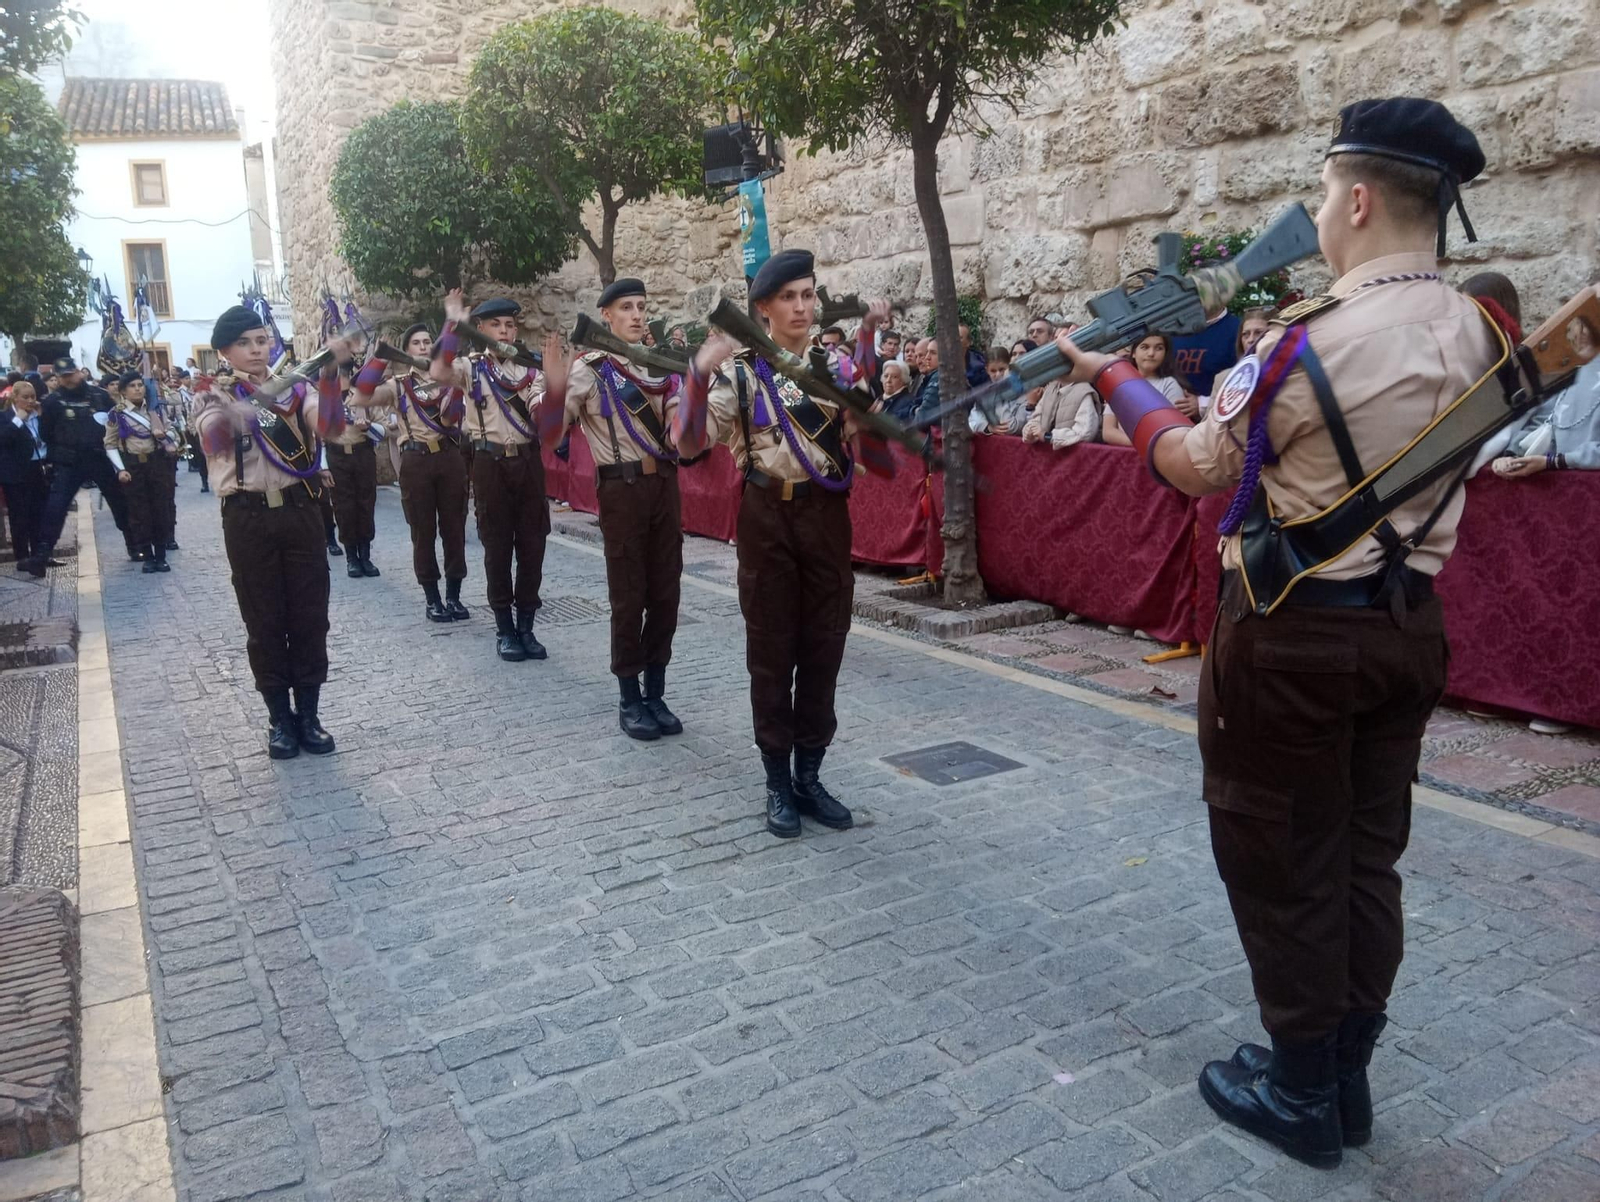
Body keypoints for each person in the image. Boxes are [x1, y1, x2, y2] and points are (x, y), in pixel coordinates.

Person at [1052, 97, 1497, 1169]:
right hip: (1408, 627)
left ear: (1358, 199)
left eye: (1325, 193)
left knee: (1281, 854)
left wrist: (1112, 375)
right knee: (1366, 856)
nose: (1320, 213)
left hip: (1294, 638)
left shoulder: (1308, 341)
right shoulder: (1483, 329)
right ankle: (1344, 1073)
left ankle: (1300, 1090)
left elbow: (1191, 465)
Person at [675, 248, 889, 839]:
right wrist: (697, 374)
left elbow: (876, 462)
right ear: (764, 308)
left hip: (826, 518)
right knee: (771, 652)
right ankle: (776, 780)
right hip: (767, 516)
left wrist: (866, 423)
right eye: (788, 297)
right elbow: (688, 444)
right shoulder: (742, 373)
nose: (801, 307)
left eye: (808, 295)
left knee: (825, 644)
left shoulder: (837, 370)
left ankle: (809, 776)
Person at [537, 278, 687, 741]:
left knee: (665, 595)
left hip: (663, 484)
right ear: (607, 315)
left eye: (641, 306)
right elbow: (551, 435)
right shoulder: (592, 370)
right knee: (629, 597)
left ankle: (655, 692)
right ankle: (629, 696)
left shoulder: (658, 367)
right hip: (621, 489)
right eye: (626, 308)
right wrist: (555, 387)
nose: (637, 315)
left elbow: (678, 430)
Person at [191, 305, 341, 759]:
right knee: (264, 619)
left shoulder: (296, 388)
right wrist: (257, 400)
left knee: (310, 615)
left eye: (262, 341)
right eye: (245, 343)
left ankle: (309, 715)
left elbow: (330, 427)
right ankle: (279, 719)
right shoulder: (209, 393)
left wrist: (329, 377)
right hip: (247, 516)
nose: (256, 350)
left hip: (299, 509)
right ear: (225, 351)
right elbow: (213, 439)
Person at [432, 290, 550, 662]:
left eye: (509, 325)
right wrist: (452, 324)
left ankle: (526, 626)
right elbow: (438, 371)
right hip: (489, 463)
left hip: (528, 461)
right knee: (497, 548)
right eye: (495, 325)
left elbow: (543, 410)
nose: (504, 331)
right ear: (480, 329)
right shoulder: (471, 368)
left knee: (532, 546)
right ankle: (504, 628)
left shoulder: (531, 368)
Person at [349, 323, 470, 622]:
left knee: (455, 528)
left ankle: (453, 595)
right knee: (422, 531)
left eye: (428, 341)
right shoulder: (399, 385)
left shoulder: (451, 378)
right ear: (407, 350)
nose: (424, 346)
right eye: (417, 342)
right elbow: (360, 396)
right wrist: (379, 359)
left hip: (450, 455)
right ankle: (432, 598)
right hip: (417, 460)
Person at [19, 357, 135, 576]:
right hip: (69, 463)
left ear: (80, 372)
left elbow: (116, 423)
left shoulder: (100, 396)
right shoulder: (53, 402)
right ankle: (42, 555)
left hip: (100, 458)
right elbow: (46, 433)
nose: (69, 379)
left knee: (119, 501)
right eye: (63, 376)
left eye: (71, 374)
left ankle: (135, 545)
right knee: (55, 509)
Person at [103, 372, 180, 573]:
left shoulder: (156, 410)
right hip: (133, 465)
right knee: (139, 512)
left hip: (156, 463)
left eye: (140, 385)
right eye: (132, 386)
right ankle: (147, 555)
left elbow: (174, 434)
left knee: (160, 509)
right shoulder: (116, 414)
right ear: (123, 391)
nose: (138, 389)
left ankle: (161, 555)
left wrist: (164, 435)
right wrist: (120, 469)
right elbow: (110, 444)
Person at [323, 357, 385, 580]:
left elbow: (383, 431)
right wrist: (322, 467)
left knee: (365, 504)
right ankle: (351, 557)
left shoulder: (364, 396)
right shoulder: (324, 399)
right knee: (343, 506)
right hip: (337, 456)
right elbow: (317, 437)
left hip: (362, 453)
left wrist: (367, 427)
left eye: (344, 373)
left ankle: (365, 556)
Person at [1102, 333, 1192, 445]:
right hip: (1127, 452)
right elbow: (1108, 431)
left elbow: (1174, 432)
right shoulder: (1120, 383)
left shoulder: (1169, 384)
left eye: (1159, 348)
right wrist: (1140, 444)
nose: (1151, 353)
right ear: (1133, 353)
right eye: (1145, 347)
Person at [0, 381, 50, 565]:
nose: (30, 401)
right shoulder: (6, 417)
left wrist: (42, 417)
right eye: (25, 397)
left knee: (39, 514)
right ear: (15, 398)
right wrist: (18, 420)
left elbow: (47, 436)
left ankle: (39, 555)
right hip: (16, 473)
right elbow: (4, 439)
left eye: (33, 397)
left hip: (38, 468)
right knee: (20, 516)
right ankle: (22, 556)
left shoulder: (37, 415)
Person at [1023, 378, 1100, 449]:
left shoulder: (1084, 391)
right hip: (1046, 455)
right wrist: (1030, 431)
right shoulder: (1051, 388)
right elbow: (1037, 417)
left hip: (1072, 456)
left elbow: (1085, 433)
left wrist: (1048, 436)